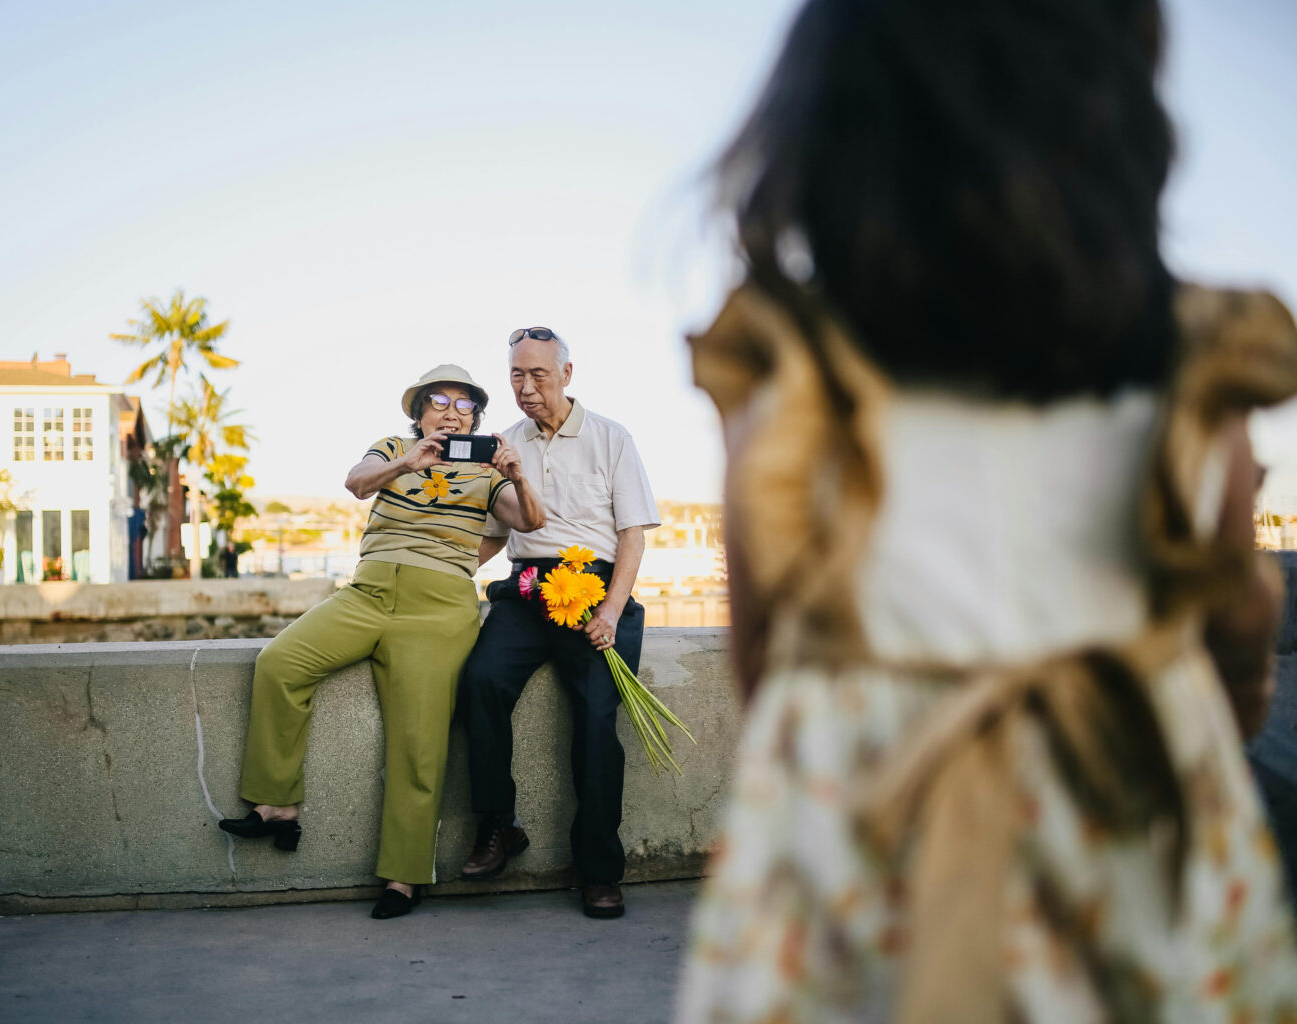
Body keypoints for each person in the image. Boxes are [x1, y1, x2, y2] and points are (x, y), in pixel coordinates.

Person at [675, 0, 1297, 1020]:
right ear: (1116, 136)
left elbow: (765, 649)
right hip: (1135, 819)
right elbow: (1238, 619)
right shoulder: (1194, 362)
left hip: (862, 845)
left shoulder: (791, 375)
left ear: (829, 144)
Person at [219, 364, 545, 920]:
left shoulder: (488, 468)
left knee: (419, 741)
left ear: (476, 417)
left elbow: (531, 523)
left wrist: (515, 474)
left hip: (439, 608)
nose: (451, 410)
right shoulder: (393, 446)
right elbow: (356, 482)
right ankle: (276, 804)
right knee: (280, 662)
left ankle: (403, 875)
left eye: (464, 404)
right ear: (418, 412)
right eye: (439, 400)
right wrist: (407, 462)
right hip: (367, 591)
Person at [457, 327, 661, 919]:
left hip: (596, 588)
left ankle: (598, 869)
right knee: (480, 683)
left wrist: (613, 611)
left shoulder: (610, 438)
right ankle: (499, 826)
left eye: (538, 375)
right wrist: (434, 568)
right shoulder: (504, 444)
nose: (525, 388)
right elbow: (494, 539)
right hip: (525, 591)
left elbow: (632, 535)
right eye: (516, 376)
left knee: (598, 720)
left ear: (567, 374)